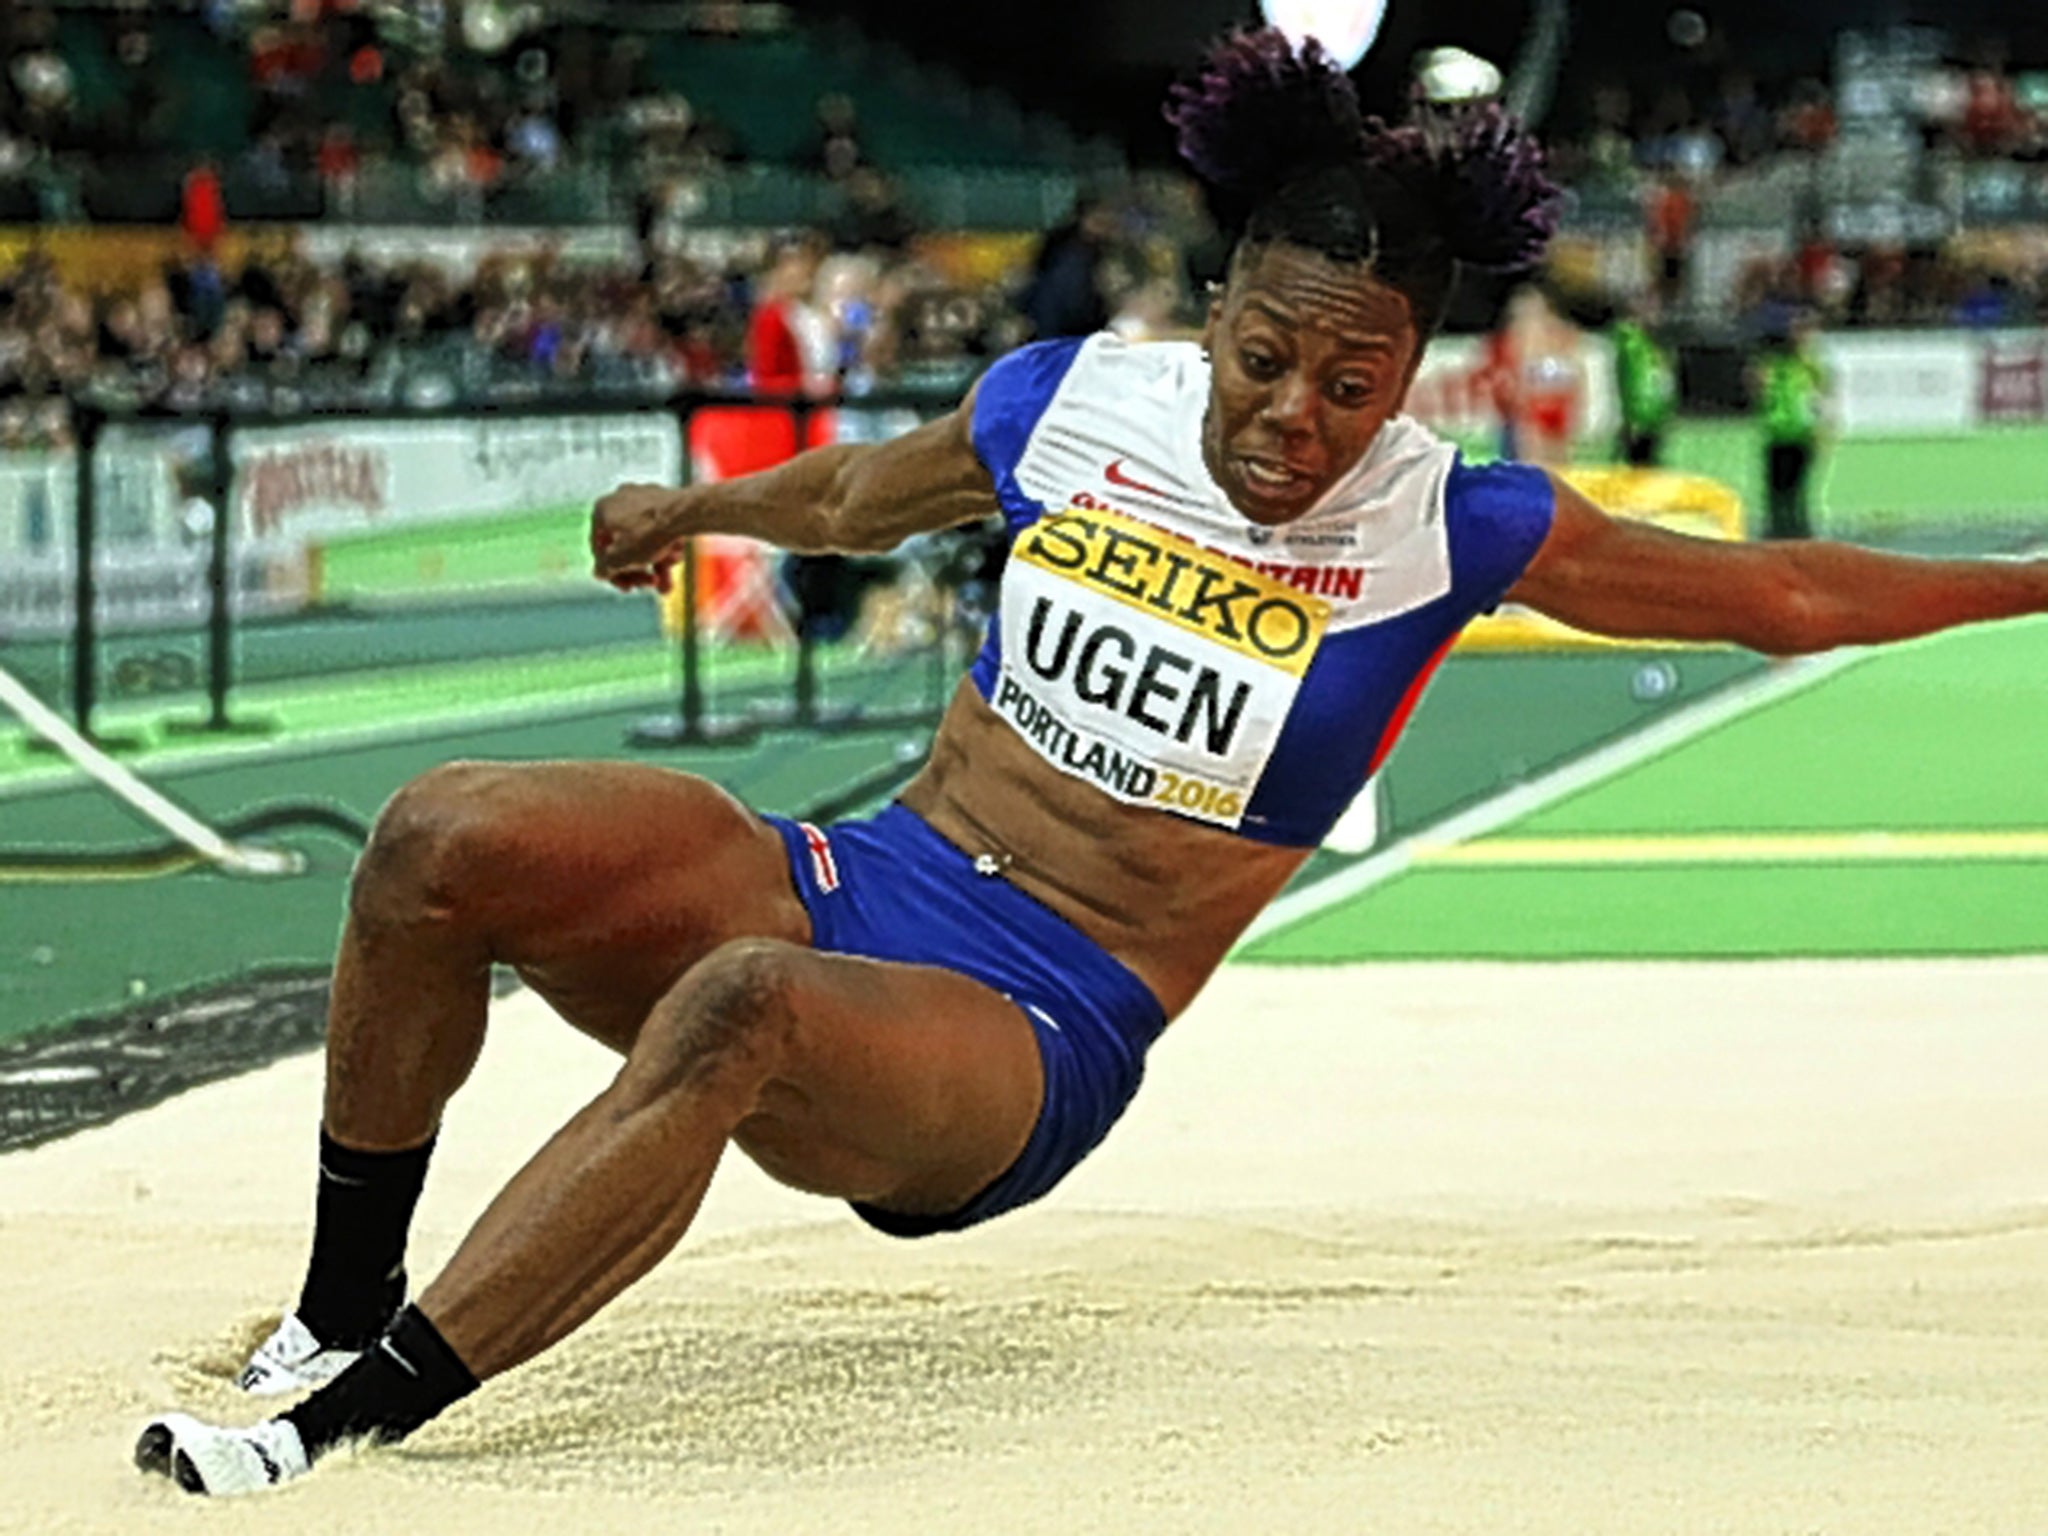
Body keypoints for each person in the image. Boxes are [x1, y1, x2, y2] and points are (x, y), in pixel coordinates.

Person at [137, 31, 2048, 1495]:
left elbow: (1778, 589)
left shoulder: (1446, 528)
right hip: (860, 875)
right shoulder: (1072, 401)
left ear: (1409, 382)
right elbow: (861, 496)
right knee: (436, 832)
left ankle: (346, 1432)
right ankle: (331, 1315)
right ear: (1210, 315)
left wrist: (2028, 578)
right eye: (1263, 360)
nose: (1293, 417)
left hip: (1032, 1025)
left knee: (737, 1012)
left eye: (1350, 385)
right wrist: (695, 508)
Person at [1755, 311, 1829, 539]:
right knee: (1776, 491)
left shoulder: (1811, 367)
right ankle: (1776, 531)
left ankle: (1799, 531)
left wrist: (1821, 431)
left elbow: (1820, 401)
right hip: (1777, 435)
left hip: (1801, 436)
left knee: (1798, 490)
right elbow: (1760, 391)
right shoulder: (1774, 365)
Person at [1611, 294, 1678, 467]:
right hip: (1638, 422)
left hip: (1652, 422)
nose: (1654, 314)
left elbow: (1661, 386)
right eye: (1648, 308)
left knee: (1648, 466)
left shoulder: (1654, 348)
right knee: (1637, 468)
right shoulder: (1630, 341)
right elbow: (1632, 382)